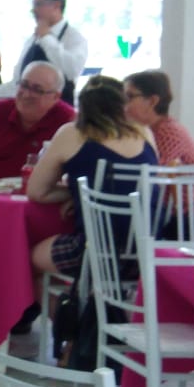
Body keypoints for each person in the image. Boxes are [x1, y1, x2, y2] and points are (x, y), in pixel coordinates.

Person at [26, 82, 158, 344]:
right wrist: (82, 194)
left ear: (82, 107)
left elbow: (36, 191)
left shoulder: (73, 134)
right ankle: (100, 328)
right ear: (121, 104)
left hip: (91, 251)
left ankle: (74, 336)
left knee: (29, 260)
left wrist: (77, 193)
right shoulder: (144, 134)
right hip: (145, 254)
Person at [0, 60, 76, 181]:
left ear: (55, 97)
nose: (26, 94)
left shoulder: (69, 122)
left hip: (32, 192)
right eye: (24, 85)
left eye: (37, 90)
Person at [0, 0, 87, 105]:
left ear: (56, 5)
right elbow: (17, 83)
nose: (33, 10)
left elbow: (71, 71)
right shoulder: (32, 39)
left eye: (39, 4)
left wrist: (46, 38)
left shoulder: (74, 38)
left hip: (58, 112)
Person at [123, 70, 194, 167]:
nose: (122, 103)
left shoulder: (168, 132)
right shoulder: (147, 129)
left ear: (152, 101)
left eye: (129, 97)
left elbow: (153, 170)